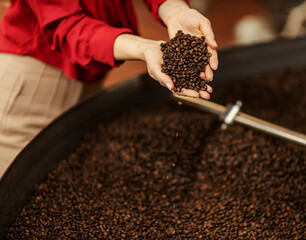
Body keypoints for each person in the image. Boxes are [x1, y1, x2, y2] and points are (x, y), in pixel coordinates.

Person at [0, 0, 218, 177]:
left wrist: (174, 9)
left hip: (89, 70)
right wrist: (144, 48)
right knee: (13, 190)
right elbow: (66, 25)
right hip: (33, 78)